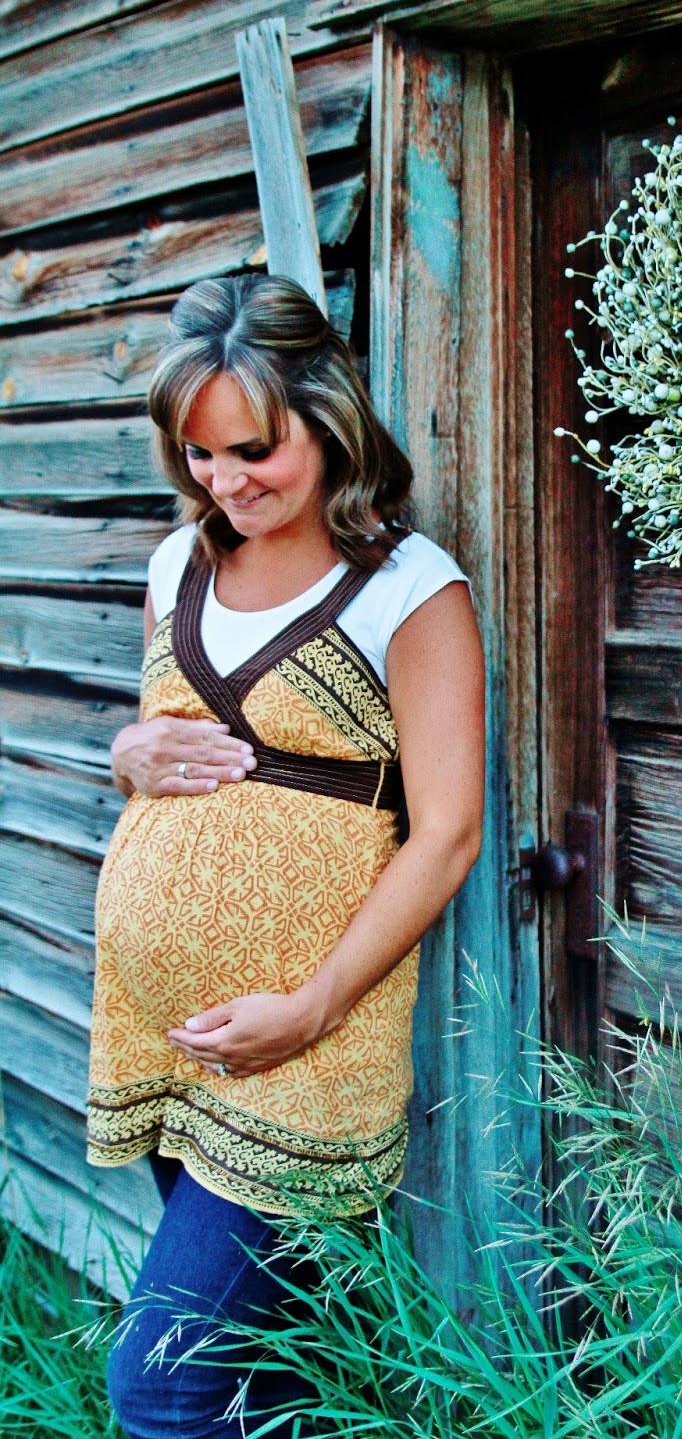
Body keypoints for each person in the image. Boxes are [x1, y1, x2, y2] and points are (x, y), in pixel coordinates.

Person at [88, 273, 485, 1438]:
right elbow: (161, 745)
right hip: (166, 1028)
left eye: (253, 449)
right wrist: (125, 751)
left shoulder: (408, 589)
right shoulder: (177, 563)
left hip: (301, 1045)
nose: (226, 481)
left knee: (162, 1385)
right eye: (200, 454)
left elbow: (447, 832)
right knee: (261, 1372)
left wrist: (311, 1006)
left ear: (328, 417)